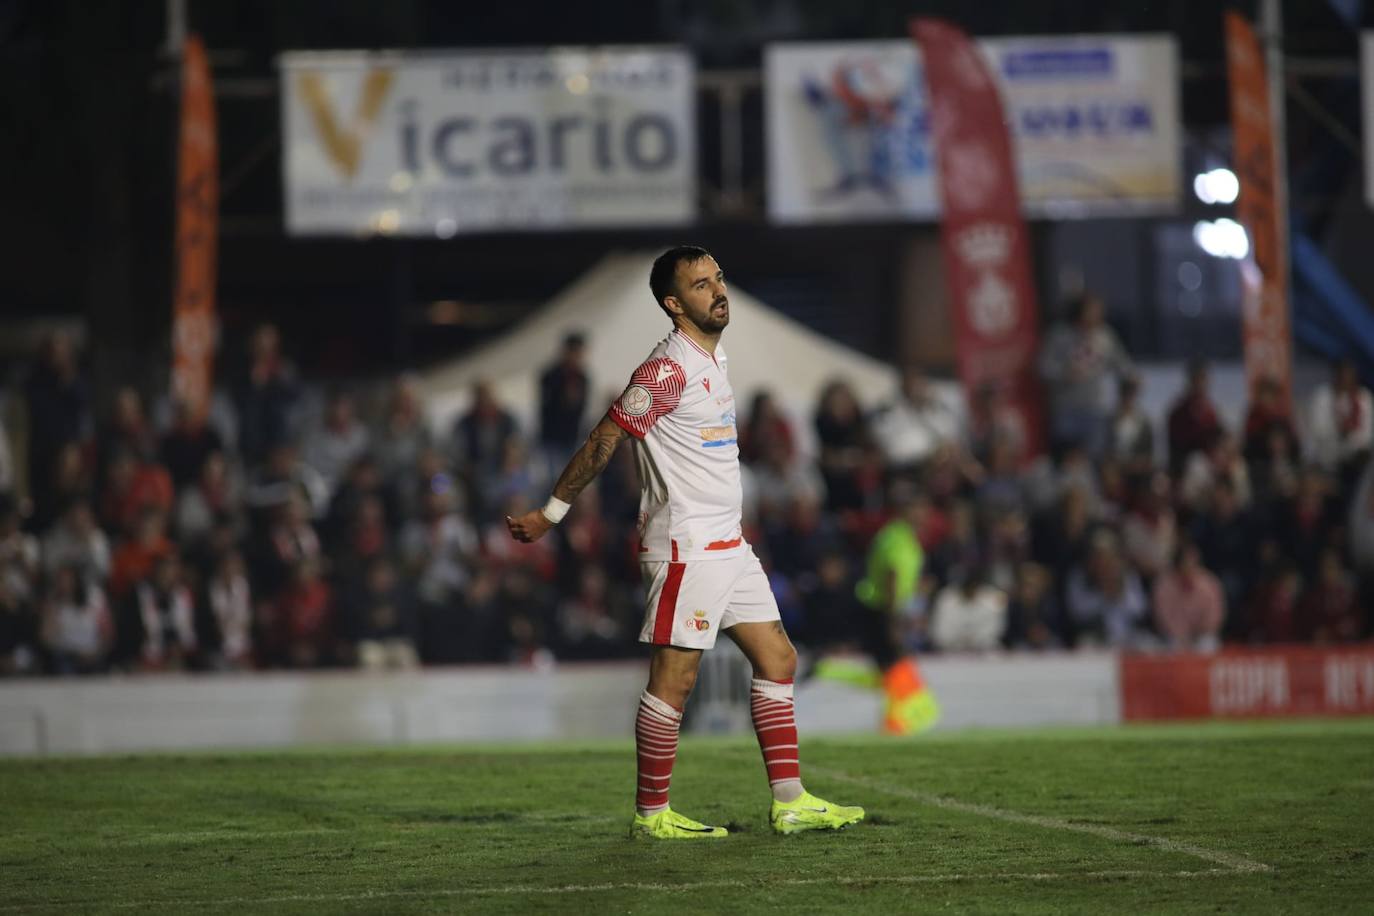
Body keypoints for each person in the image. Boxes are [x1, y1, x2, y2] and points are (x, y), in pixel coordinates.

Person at [507, 246, 863, 840]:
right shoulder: (666, 370)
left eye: (719, 278)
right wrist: (552, 512)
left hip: (728, 544)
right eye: (701, 285)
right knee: (674, 681)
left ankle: (791, 802)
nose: (718, 291)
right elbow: (605, 438)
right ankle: (652, 815)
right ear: (674, 305)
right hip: (687, 547)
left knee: (779, 659)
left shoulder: (712, 359)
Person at [850, 486, 941, 733]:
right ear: (905, 511)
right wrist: (893, 621)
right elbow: (892, 577)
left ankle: (895, 722)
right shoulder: (898, 537)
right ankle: (896, 723)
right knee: (894, 668)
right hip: (881, 610)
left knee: (892, 670)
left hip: (884, 610)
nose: (923, 514)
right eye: (918, 509)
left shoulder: (901, 536)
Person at [1037, 291, 1132, 455]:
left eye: (1099, 310)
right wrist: (1064, 373)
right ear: (1080, 311)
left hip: (1096, 408)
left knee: (1096, 456)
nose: (1098, 314)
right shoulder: (1060, 335)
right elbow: (1042, 368)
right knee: (1065, 456)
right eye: (1093, 310)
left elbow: (1122, 365)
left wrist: (1131, 378)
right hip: (1066, 408)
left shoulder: (1105, 336)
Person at [1151, 543, 1225, 652]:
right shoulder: (1164, 585)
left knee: (1208, 643)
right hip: (1174, 636)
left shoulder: (1209, 583)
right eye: (1187, 563)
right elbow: (1163, 618)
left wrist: (1202, 630)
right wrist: (1182, 635)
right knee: (1172, 645)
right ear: (1178, 565)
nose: (1190, 567)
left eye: (1194, 563)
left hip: (1201, 635)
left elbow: (1215, 615)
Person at [538, 332, 590, 466]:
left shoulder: (582, 378)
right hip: (552, 437)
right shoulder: (551, 376)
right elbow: (546, 406)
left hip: (573, 436)